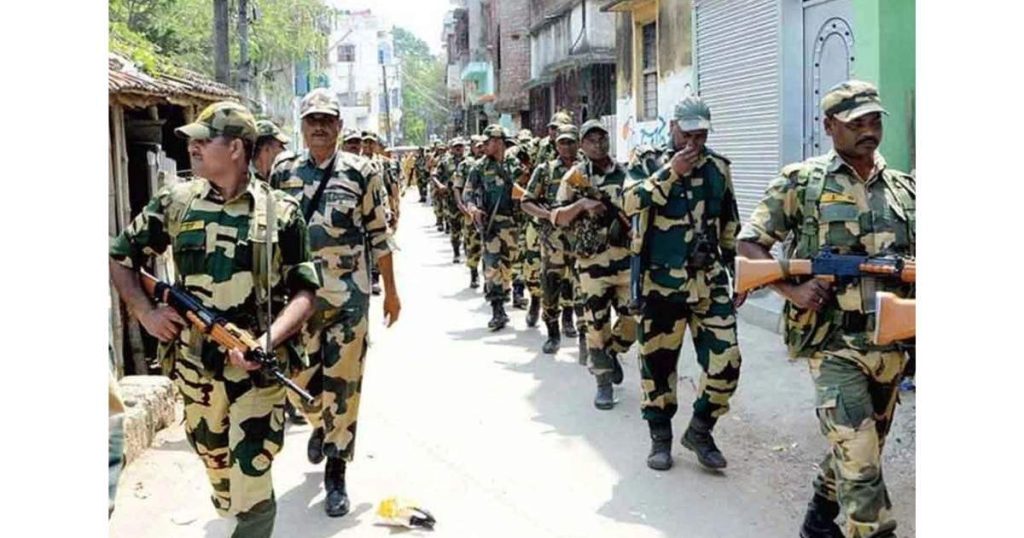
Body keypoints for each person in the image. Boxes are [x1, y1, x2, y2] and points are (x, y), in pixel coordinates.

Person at [109, 101, 319, 537]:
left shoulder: (281, 213)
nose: (193, 148)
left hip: (255, 371)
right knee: (221, 477)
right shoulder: (176, 202)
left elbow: (305, 292)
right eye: (193, 141)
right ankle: (232, 512)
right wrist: (146, 313)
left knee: (252, 477)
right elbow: (120, 258)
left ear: (238, 149)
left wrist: (266, 340)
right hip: (195, 369)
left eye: (205, 141)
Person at [736, 80, 915, 538]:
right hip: (832, 343)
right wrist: (792, 291)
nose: (868, 130)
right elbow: (749, 245)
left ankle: (818, 520)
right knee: (860, 460)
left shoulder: (905, 190)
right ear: (829, 126)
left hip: (891, 345)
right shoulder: (802, 182)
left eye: (874, 120)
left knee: (864, 445)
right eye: (856, 123)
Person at [271, 88, 402, 518]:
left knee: (344, 385)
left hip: (349, 296)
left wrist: (391, 291)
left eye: (328, 120)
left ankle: (336, 472)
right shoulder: (283, 172)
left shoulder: (362, 172)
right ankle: (318, 424)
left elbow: (379, 234)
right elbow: (271, 238)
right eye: (312, 120)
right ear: (302, 127)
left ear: (340, 126)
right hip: (298, 300)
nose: (320, 127)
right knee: (299, 380)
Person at [622, 96, 743, 472]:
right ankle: (660, 438)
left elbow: (729, 226)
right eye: (688, 133)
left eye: (702, 134)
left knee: (728, 361)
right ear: (672, 126)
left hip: (708, 283)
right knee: (657, 366)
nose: (695, 142)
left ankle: (701, 429)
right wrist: (670, 172)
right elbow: (628, 202)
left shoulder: (719, 169)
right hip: (661, 285)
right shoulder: (647, 162)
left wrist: (738, 276)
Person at [551, 120, 636, 409]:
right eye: (591, 140)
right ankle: (603, 384)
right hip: (592, 264)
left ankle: (611, 354)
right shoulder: (575, 177)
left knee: (634, 320)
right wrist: (581, 206)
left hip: (625, 263)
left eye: (602, 138)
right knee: (596, 325)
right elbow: (557, 217)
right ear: (583, 145)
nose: (597, 144)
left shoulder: (627, 174)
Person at [521, 124, 585, 354]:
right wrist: (549, 215)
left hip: (581, 240)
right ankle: (553, 333)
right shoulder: (545, 170)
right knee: (550, 289)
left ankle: (582, 336)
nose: (567, 146)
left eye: (571, 142)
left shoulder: (586, 168)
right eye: (562, 142)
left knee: (583, 289)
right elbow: (527, 201)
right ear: (556, 144)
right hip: (553, 242)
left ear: (578, 143)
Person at [463, 125, 526, 331]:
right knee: (492, 265)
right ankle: (497, 310)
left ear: (498, 142)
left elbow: (526, 190)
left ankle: (510, 292)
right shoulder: (479, 167)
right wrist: (473, 209)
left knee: (509, 265)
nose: (483, 145)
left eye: (488, 141)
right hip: (491, 225)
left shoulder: (514, 165)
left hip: (514, 224)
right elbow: (468, 193)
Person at [452, 135, 486, 289]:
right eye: (477, 146)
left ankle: (489, 280)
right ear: (472, 147)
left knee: (490, 247)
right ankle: (474, 274)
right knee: (473, 244)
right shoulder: (466, 165)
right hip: (471, 211)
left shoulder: (494, 163)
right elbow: (457, 187)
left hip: (490, 212)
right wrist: (461, 205)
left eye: (483, 145)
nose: (481, 149)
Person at [434, 138, 468, 263]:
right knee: (455, 228)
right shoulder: (445, 162)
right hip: (452, 201)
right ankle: (456, 252)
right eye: (456, 147)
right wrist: (440, 186)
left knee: (469, 229)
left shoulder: (470, 162)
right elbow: (434, 175)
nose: (458, 148)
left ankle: (469, 253)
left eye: (460, 146)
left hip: (467, 200)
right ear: (452, 149)